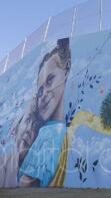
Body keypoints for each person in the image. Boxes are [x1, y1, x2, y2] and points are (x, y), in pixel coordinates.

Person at [18, 38, 71, 187]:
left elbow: (28, 182)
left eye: (50, 80)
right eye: (40, 91)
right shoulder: (48, 131)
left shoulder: (54, 133)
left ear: (67, 69)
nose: (44, 95)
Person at [0, 101, 39, 187]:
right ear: (17, 127)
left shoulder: (31, 177)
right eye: (27, 120)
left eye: (35, 126)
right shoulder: (3, 163)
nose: (28, 129)